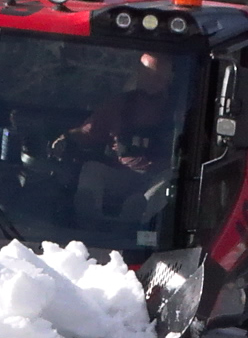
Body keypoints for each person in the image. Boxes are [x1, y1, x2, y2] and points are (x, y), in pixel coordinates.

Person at [63, 53, 180, 225]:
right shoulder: (119, 104)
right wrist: (66, 138)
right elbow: (90, 131)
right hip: (122, 173)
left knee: (169, 180)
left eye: (159, 76)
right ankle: (88, 223)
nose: (153, 81)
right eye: (148, 74)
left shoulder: (179, 109)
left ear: (168, 78)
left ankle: (136, 223)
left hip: (156, 178)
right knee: (92, 169)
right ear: (138, 73)